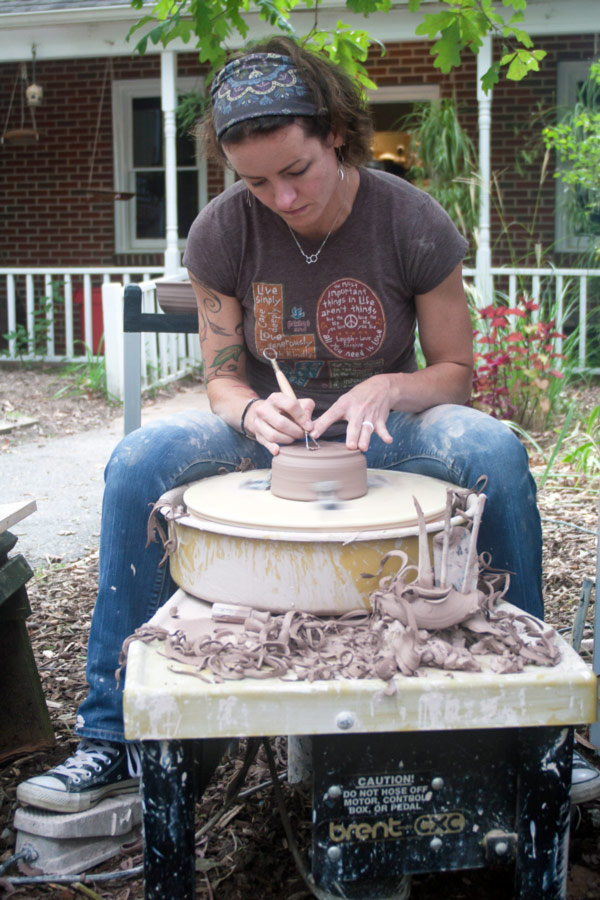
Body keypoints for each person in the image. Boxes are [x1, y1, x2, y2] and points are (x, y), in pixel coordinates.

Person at [18, 36, 599, 812]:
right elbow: (223, 380)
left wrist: (391, 385)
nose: (281, 198)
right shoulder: (223, 231)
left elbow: (455, 371)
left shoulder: (412, 221)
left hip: (388, 430)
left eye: (297, 171)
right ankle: (111, 739)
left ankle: (537, 729)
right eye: (255, 181)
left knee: (488, 447)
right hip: (273, 433)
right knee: (139, 460)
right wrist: (254, 409)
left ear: (336, 135)